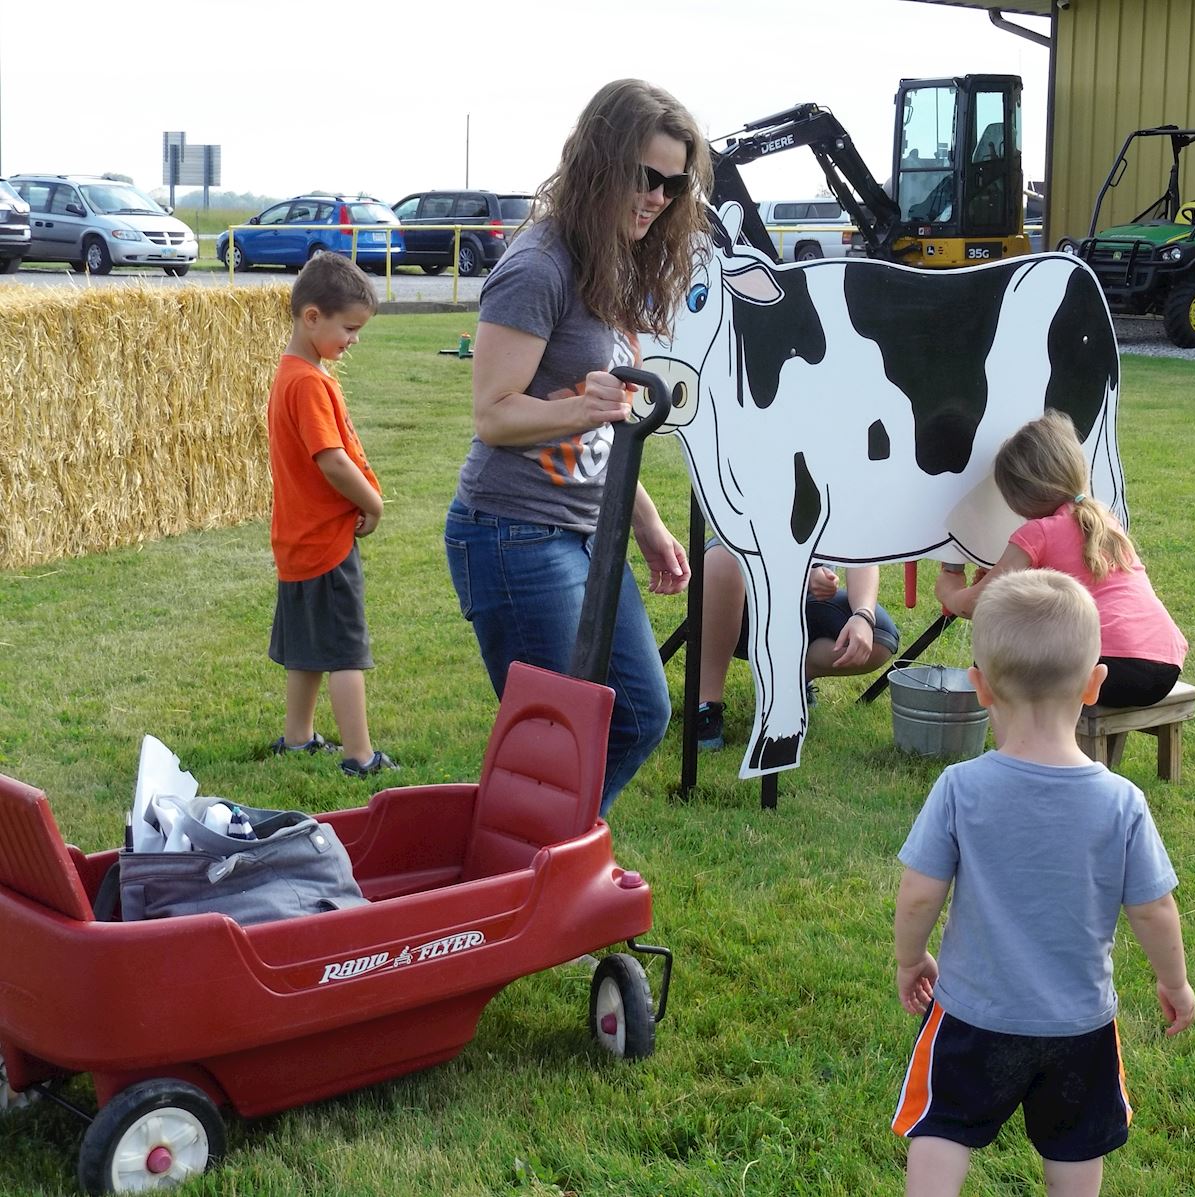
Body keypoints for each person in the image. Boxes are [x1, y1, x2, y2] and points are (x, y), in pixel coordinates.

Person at [444, 79, 705, 814]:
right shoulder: (539, 267)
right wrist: (587, 409)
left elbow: (604, 423)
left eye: (672, 184)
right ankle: (532, 881)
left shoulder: (606, 261)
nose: (657, 198)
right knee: (556, 740)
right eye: (643, 177)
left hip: (588, 533)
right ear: (600, 163)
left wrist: (648, 528)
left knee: (640, 714)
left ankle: (542, 866)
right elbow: (493, 415)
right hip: (511, 533)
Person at [892, 569, 1195, 1197]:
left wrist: (909, 958)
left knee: (943, 1126)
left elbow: (921, 890)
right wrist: (1174, 981)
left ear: (979, 687)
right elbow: (1155, 908)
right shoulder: (1122, 803)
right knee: (1075, 1142)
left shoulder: (960, 788)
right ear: (1094, 684)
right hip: (1078, 1023)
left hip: (973, 1012)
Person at [935, 411, 1186, 709]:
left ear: (1018, 495)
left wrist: (949, 590)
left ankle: (1029, 746)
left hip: (1105, 667)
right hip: (1164, 666)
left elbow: (977, 604)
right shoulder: (1103, 521)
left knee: (999, 656)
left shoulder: (1039, 531)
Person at [265, 252, 398, 779]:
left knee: (305, 646)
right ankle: (360, 756)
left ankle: (297, 738)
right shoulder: (310, 384)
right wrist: (372, 501)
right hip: (327, 539)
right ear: (311, 316)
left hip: (296, 538)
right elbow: (332, 461)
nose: (354, 340)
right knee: (345, 649)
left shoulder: (291, 373)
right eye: (349, 328)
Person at [693, 544, 901, 750]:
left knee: (878, 638)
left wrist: (863, 615)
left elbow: (860, 548)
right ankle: (706, 704)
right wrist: (802, 576)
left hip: (806, 603)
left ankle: (789, 684)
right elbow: (745, 539)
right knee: (723, 558)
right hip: (741, 600)